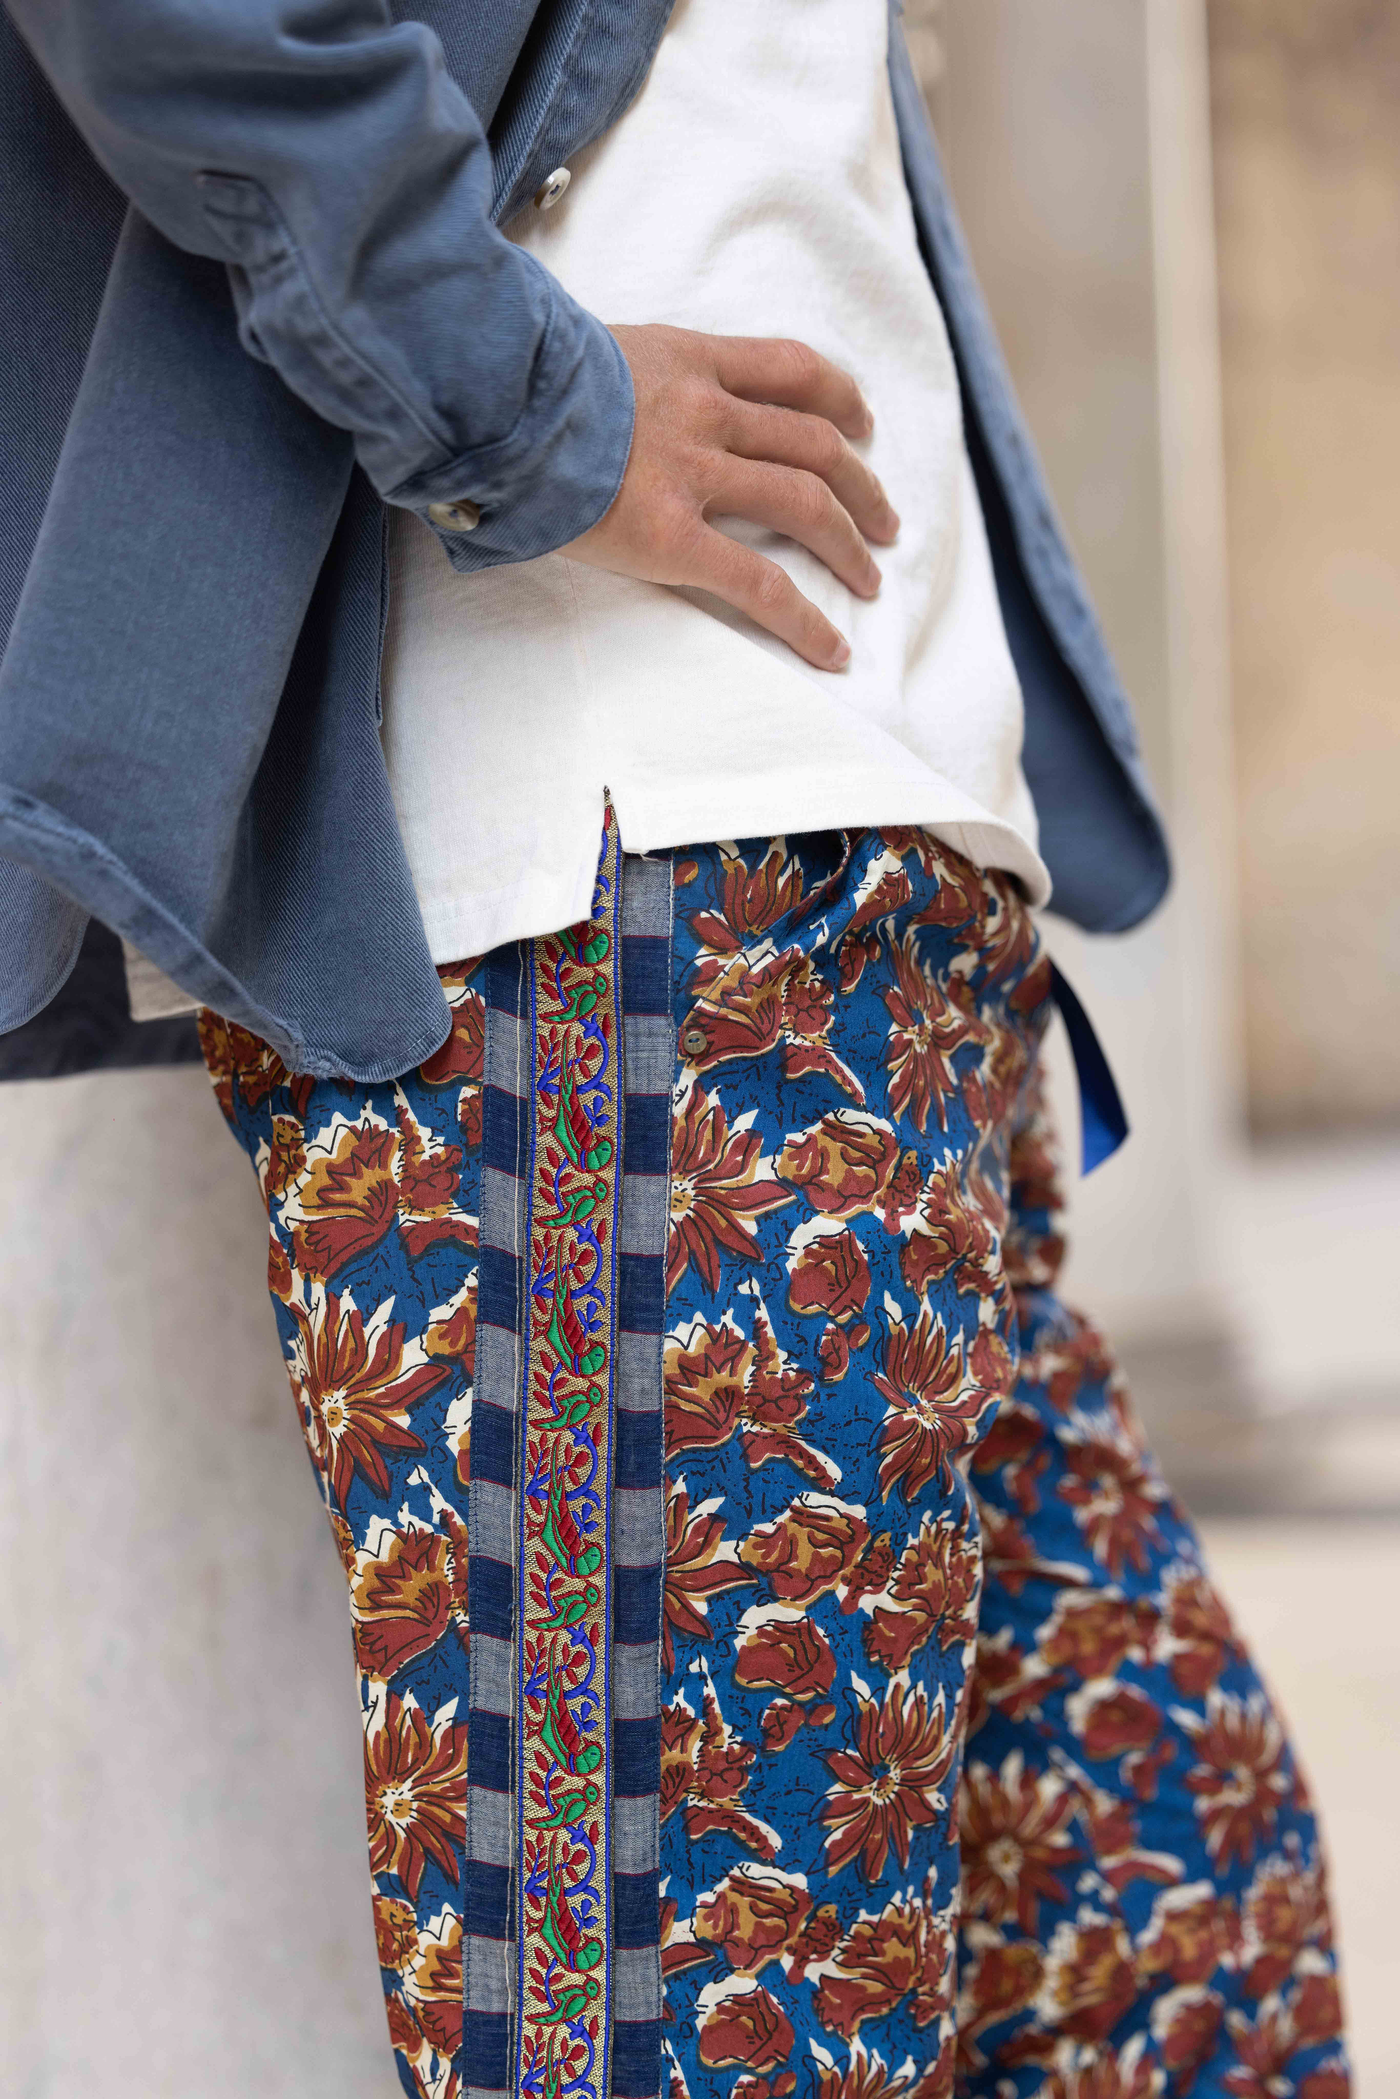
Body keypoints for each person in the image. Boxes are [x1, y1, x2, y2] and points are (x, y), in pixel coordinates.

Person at [0, 5, 1349, 2098]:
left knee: (1172, 1964)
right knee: (697, 2036)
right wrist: (519, 400)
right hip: (618, 901)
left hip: (881, 903)